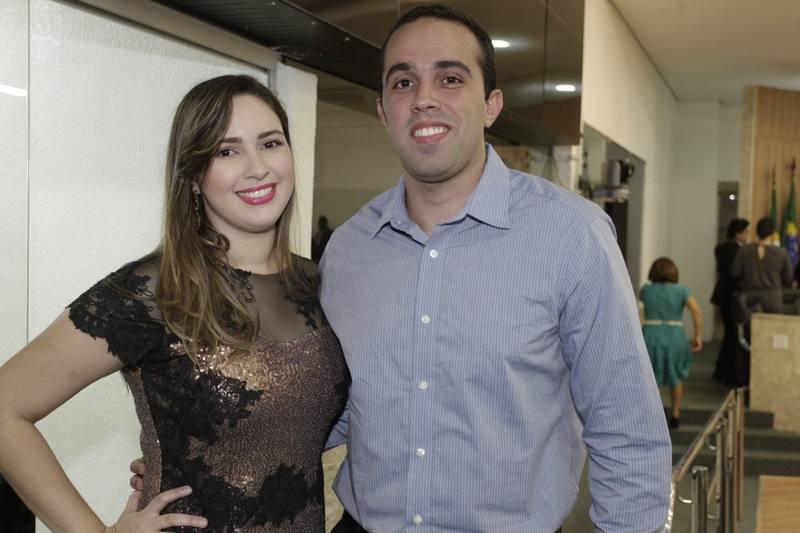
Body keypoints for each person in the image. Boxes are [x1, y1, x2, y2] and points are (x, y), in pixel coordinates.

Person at [319, 5, 672, 532]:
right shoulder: (348, 250)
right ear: (383, 111)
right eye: (403, 82)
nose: (424, 98)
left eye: (450, 78)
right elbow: (330, 408)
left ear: (491, 105)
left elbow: (628, 431)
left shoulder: (571, 235)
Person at [0, 75, 348, 532]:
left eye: (270, 143)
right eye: (226, 152)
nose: (257, 167)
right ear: (193, 177)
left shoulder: (318, 282)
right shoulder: (155, 291)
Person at [640, 258, 703, 429]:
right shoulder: (682, 291)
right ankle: (675, 413)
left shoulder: (646, 291)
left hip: (650, 334)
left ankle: (652, 415)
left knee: (650, 376)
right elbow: (695, 310)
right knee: (675, 376)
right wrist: (698, 335)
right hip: (675, 335)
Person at [710, 218, 748, 384]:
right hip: (733, 295)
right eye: (745, 232)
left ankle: (721, 368)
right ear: (738, 233)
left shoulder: (720, 248)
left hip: (721, 293)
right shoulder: (741, 251)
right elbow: (737, 273)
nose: (747, 235)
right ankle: (728, 371)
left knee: (728, 333)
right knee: (733, 334)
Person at [731, 216, 794, 313]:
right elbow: (788, 278)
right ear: (772, 233)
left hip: (749, 300)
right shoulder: (781, 253)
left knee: (749, 323)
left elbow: (735, 272)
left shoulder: (743, 251)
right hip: (773, 299)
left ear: (757, 232)